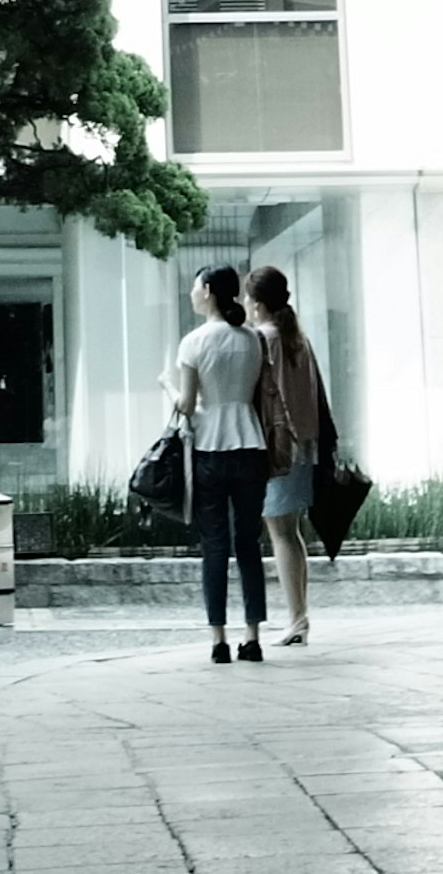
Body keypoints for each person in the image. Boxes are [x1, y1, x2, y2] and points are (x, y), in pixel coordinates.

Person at [161, 266, 271, 664]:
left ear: (207, 291)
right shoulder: (253, 340)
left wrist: (167, 385)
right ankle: (253, 636)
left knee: (214, 546)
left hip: (209, 448)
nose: (191, 293)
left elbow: (187, 405)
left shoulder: (193, 343)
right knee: (248, 545)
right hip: (251, 444)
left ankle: (218, 641)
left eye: (194, 287)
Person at [249, 266, 335, 648]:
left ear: (258, 303)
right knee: (292, 531)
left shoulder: (263, 339)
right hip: (306, 445)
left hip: (279, 447)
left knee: (280, 532)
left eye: (249, 298)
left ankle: (297, 620)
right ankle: (299, 616)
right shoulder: (297, 338)